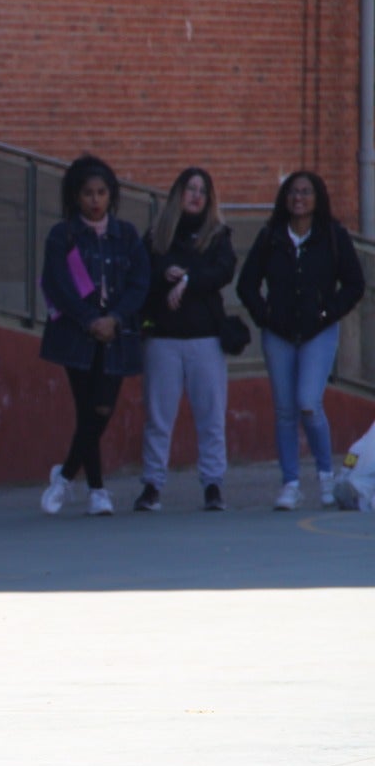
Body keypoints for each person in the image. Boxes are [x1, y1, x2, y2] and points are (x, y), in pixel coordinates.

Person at [237, 171, 367, 510]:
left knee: (308, 402)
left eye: (306, 192)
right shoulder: (271, 237)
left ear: (318, 198)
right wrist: (265, 316)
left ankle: (326, 476)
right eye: (293, 191)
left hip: (318, 333)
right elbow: (246, 285)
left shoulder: (333, 236)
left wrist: (327, 314)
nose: (299, 197)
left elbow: (354, 284)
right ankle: (290, 483)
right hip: (278, 334)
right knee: (284, 410)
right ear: (284, 198)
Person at [38, 154, 150, 517]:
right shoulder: (63, 235)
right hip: (77, 335)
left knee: (101, 409)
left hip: (117, 336)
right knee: (87, 408)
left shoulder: (127, 235)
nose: (95, 200)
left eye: (102, 192)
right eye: (88, 193)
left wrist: (114, 318)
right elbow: (58, 284)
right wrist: (90, 319)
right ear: (76, 196)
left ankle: (66, 475)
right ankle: (97, 490)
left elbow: (139, 283)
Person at [135, 168, 237, 513]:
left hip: (205, 337)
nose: (195, 195)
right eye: (189, 189)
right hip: (163, 337)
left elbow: (224, 271)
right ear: (177, 193)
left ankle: (212, 485)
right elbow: (139, 276)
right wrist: (165, 275)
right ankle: (151, 485)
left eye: (202, 191)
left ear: (209, 199)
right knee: (158, 416)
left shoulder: (218, 234)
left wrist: (189, 280)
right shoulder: (156, 235)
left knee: (211, 416)